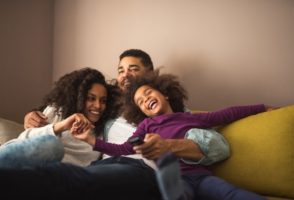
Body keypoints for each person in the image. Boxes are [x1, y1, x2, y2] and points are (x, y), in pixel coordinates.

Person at [5, 49, 228, 199]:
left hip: (141, 170)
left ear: (149, 74)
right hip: (104, 167)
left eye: (133, 69)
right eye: (120, 70)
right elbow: (71, 102)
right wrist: (32, 115)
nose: (124, 75)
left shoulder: (168, 110)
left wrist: (168, 145)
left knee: (71, 178)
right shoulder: (107, 108)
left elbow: (219, 147)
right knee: (66, 171)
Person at [72, 71, 268, 200]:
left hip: (200, 176)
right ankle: (169, 183)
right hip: (177, 178)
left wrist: (263, 108)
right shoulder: (147, 125)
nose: (145, 99)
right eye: (140, 102)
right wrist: (91, 140)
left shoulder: (191, 117)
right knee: (178, 193)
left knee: (231, 193)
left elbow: (228, 113)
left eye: (148, 93)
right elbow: (123, 149)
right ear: (142, 112)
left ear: (164, 94)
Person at [0, 67, 121, 168]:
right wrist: (61, 126)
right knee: (53, 146)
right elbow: (24, 140)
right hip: (16, 158)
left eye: (103, 101)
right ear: (78, 97)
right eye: (91, 98)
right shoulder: (57, 111)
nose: (98, 106)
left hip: (49, 176)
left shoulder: (101, 131)